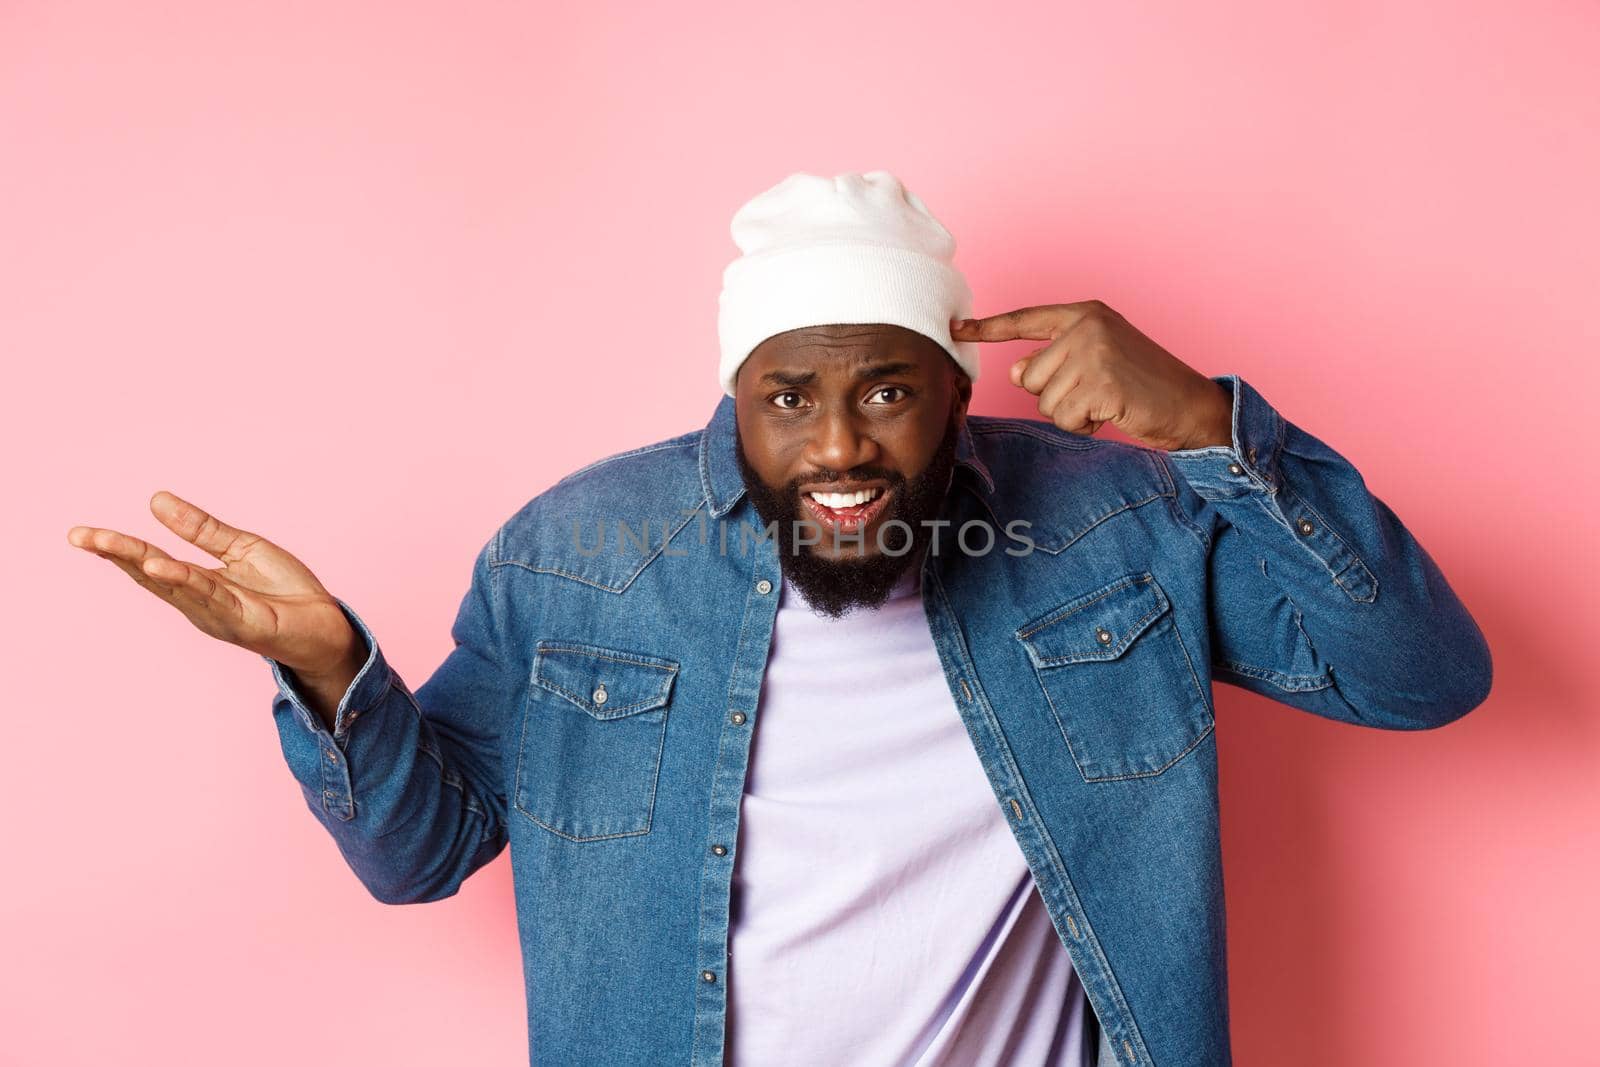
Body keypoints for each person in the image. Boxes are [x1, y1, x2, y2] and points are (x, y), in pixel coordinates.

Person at [67, 170, 1493, 1066]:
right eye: (789, 399)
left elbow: (1422, 678)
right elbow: (421, 855)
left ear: (955, 388)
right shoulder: (582, 555)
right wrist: (332, 679)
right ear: (736, 398)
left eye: (885, 390)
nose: (838, 449)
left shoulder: (1119, 526)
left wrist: (1210, 431)